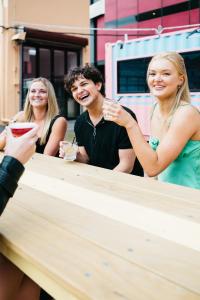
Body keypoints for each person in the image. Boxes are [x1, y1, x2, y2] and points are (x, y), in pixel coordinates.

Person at [103, 51, 200, 189]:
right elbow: (151, 166)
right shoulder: (155, 109)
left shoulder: (187, 114)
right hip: (166, 195)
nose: (157, 79)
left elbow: (153, 167)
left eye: (166, 74)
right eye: (152, 74)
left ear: (181, 80)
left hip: (190, 200)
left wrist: (130, 124)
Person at [62, 64, 143, 176]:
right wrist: (75, 155)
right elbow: (85, 159)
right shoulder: (80, 122)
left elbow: (126, 166)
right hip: (97, 180)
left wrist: (101, 183)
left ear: (98, 85)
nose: (79, 91)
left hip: (125, 184)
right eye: (74, 89)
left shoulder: (123, 115)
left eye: (84, 84)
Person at [0, 125, 41, 300]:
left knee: (30, 270)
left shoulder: (58, 121)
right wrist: (13, 161)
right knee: (30, 262)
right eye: (33, 93)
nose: (36, 95)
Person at [0, 77, 67, 157]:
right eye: (33, 91)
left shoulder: (59, 122)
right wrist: (11, 128)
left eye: (42, 91)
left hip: (45, 168)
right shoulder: (21, 116)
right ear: (29, 95)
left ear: (49, 96)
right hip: (21, 166)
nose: (36, 95)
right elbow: (1, 144)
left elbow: (47, 157)